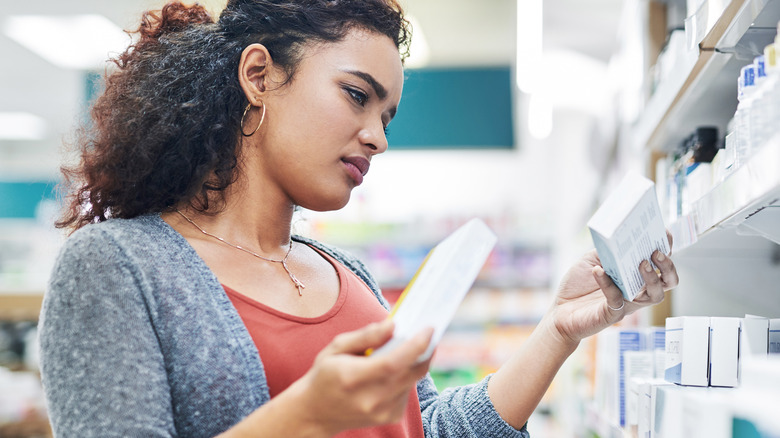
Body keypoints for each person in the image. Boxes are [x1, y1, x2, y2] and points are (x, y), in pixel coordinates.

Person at [38, 1, 680, 437]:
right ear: (259, 75)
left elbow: (427, 429)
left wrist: (559, 331)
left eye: (388, 116)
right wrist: (308, 415)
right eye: (356, 95)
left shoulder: (347, 275)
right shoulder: (117, 267)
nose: (377, 137)